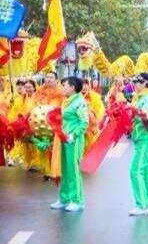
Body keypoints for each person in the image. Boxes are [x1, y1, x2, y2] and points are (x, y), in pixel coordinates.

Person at [50, 76, 89, 212]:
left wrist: (74, 135)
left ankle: (77, 200)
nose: (62, 88)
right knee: (65, 170)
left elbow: (84, 122)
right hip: (64, 140)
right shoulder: (66, 102)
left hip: (74, 140)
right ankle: (65, 198)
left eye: (65, 85)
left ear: (72, 87)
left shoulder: (79, 102)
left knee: (73, 171)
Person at [128, 73, 148, 216]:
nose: (135, 84)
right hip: (144, 137)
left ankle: (142, 205)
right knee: (146, 171)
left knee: (135, 170)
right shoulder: (143, 97)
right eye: (135, 82)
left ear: (147, 83)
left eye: (138, 82)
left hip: (145, 138)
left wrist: (134, 112)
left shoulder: (146, 99)